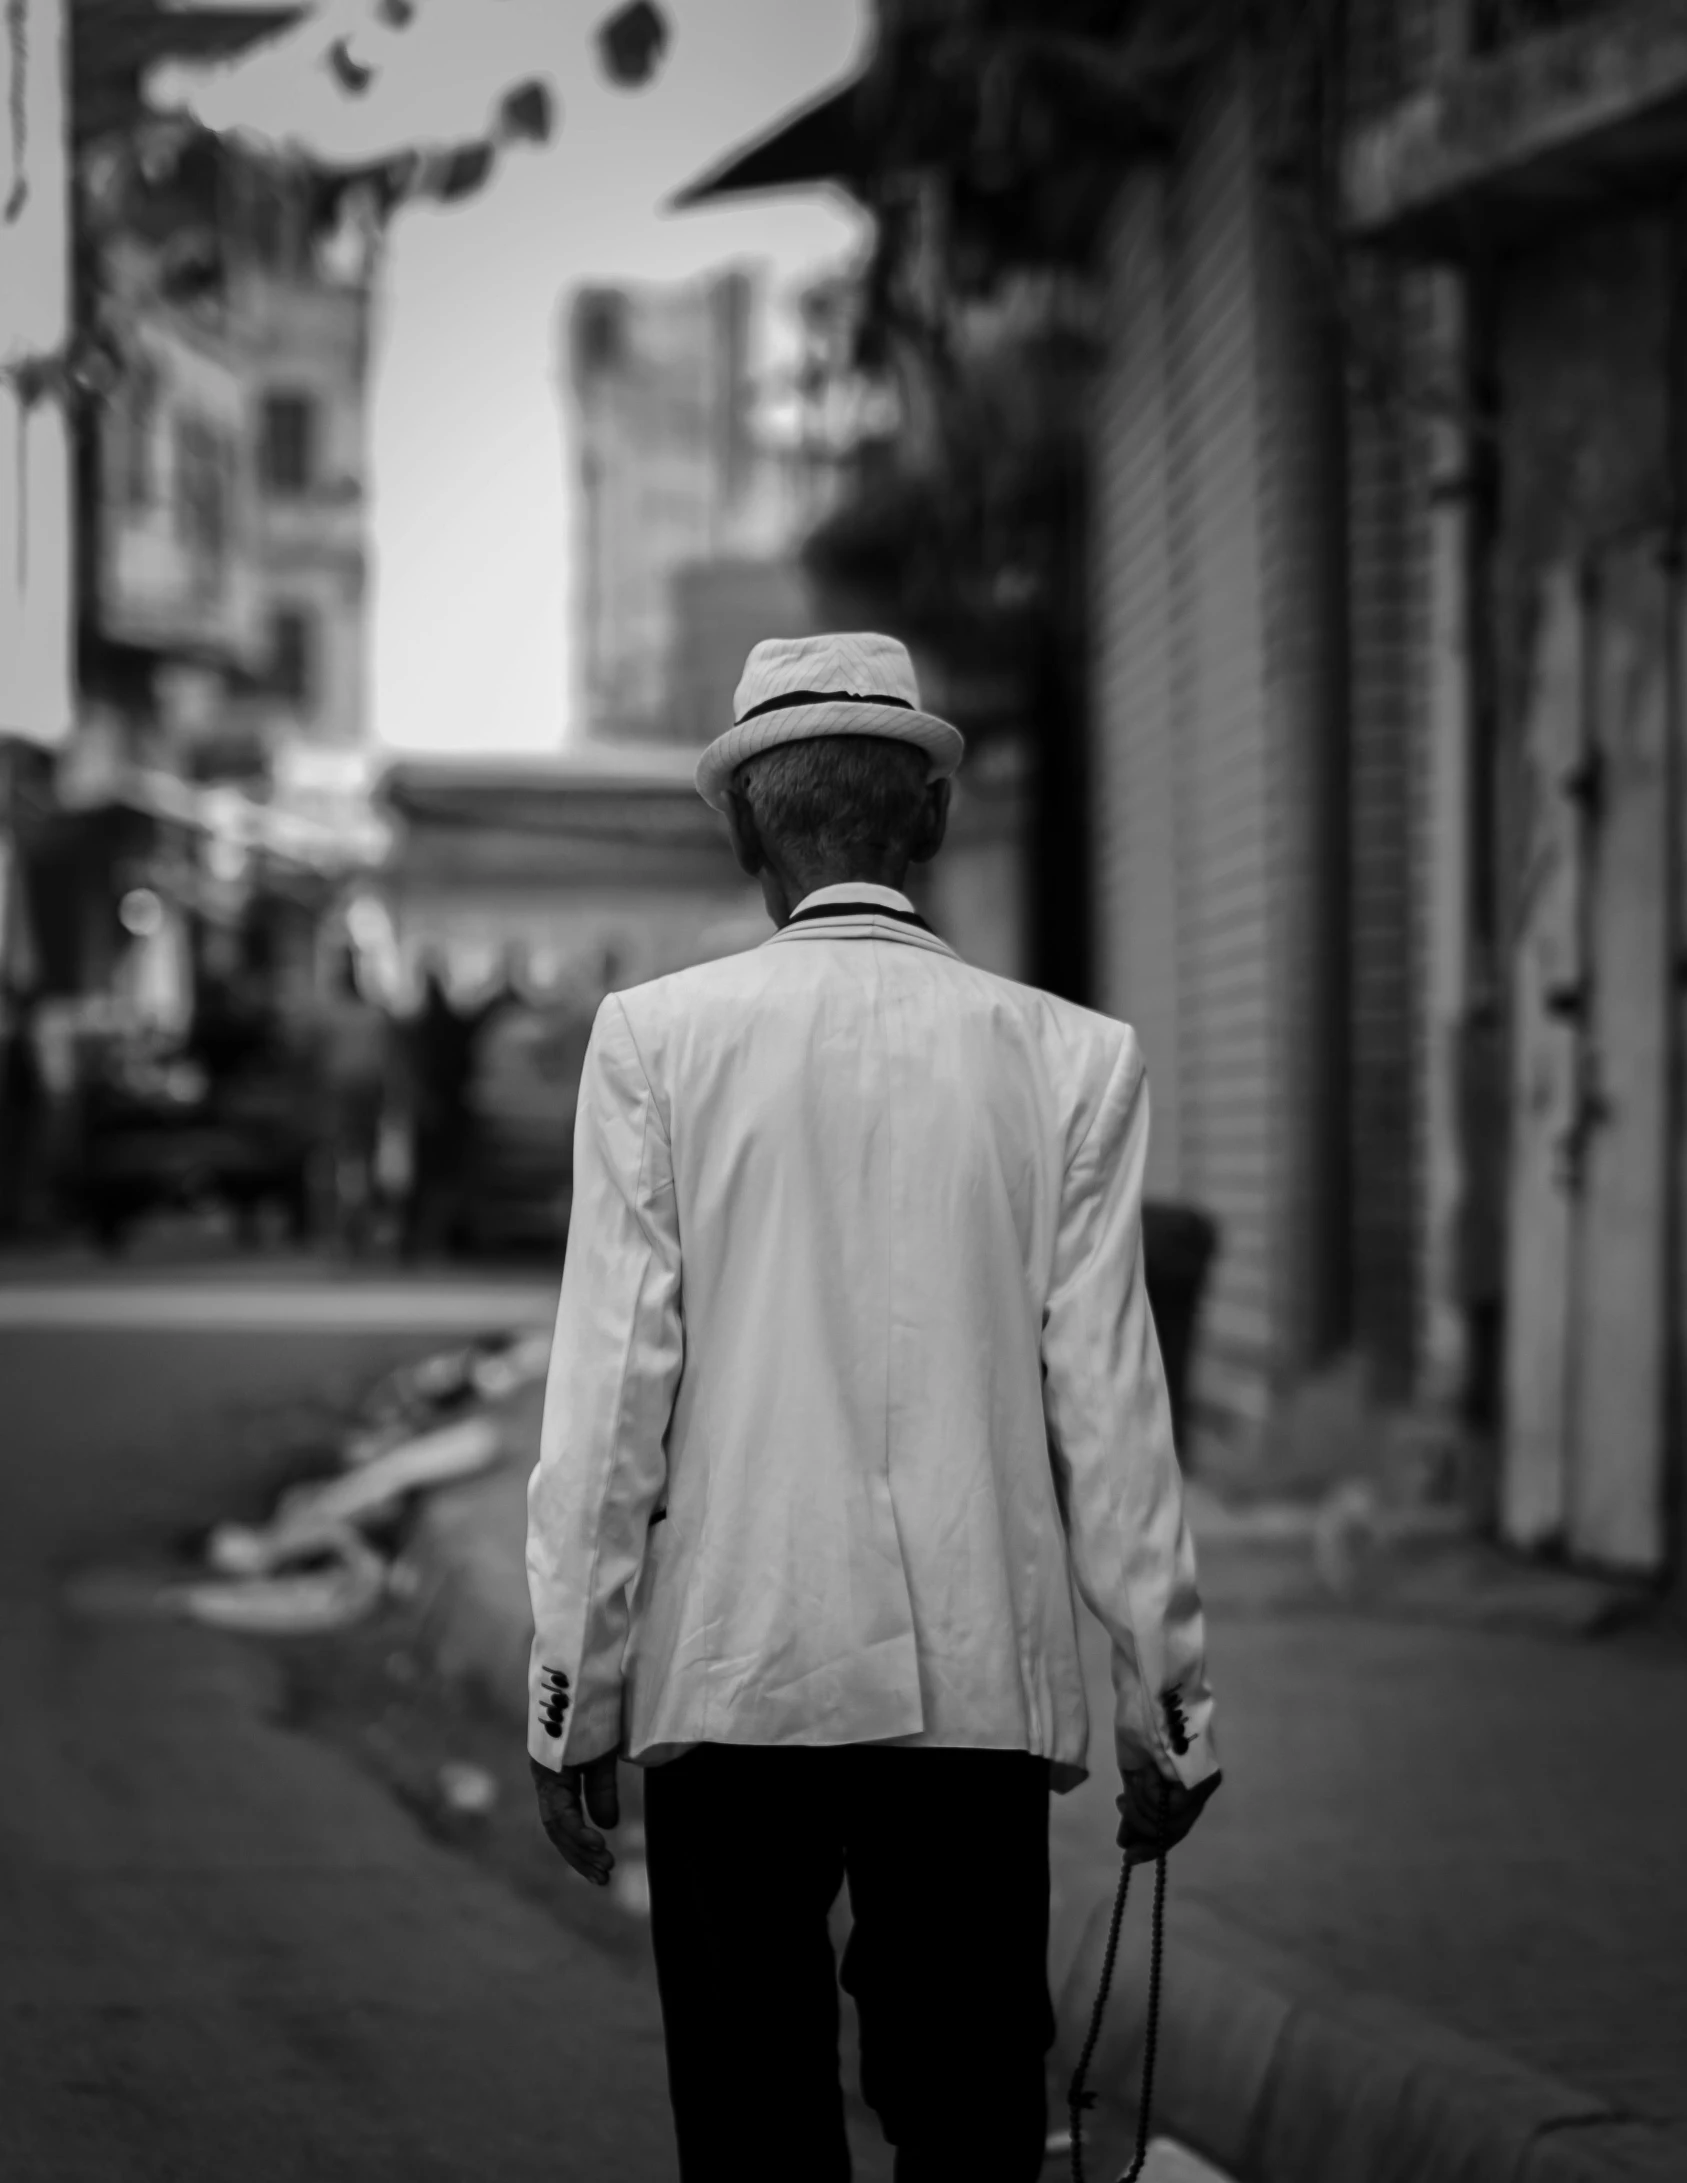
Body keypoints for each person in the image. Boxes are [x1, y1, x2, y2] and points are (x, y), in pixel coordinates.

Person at [526, 633, 1220, 2183]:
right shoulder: (1069, 1058)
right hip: (972, 1683)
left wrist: (572, 1681)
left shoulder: (653, 1043)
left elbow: (610, 1390)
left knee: (751, 2108)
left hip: (732, 1663)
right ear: (927, 826)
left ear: (745, 835)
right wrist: (1165, 1694)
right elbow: (1108, 1398)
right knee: (970, 2106)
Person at [399, 949, 516, 1260]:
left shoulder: (423, 1025)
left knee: (432, 1178)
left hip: (435, 1110)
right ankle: (439, 1239)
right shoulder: (445, 1024)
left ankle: (426, 1240)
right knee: (447, 1177)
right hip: (451, 1109)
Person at [314, 948, 391, 1256]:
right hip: (365, 1090)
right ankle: (356, 1229)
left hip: (343, 1091)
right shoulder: (373, 1015)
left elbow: (317, 1058)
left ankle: (344, 1229)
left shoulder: (331, 1014)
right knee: (362, 1163)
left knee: (339, 1160)